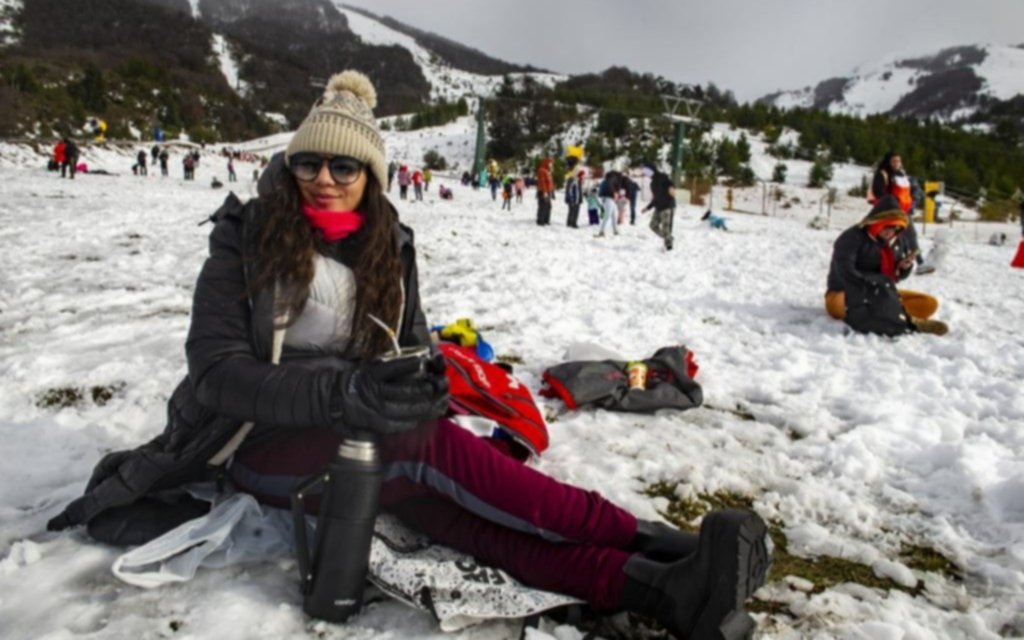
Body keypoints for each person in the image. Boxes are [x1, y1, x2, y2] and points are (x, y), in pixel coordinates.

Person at [45, 69, 770, 639]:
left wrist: (425, 381)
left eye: (342, 165)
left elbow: (415, 346)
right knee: (424, 452)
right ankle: (648, 538)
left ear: (371, 176)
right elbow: (216, 373)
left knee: (446, 510)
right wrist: (344, 398)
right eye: (307, 162)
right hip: (251, 440)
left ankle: (660, 585)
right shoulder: (246, 236)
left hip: (358, 432)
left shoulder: (389, 248)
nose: (322, 177)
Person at [825, 195, 948, 336]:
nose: (891, 232)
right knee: (851, 305)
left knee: (928, 303)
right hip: (845, 293)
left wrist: (903, 267)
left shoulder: (897, 241)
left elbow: (894, 277)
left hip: (883, 293)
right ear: (876, 222)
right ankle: (909, 321)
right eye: (887, 226)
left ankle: (888, 313)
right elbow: (846, 272)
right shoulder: (851, 237)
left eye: (896, 228)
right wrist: (877, 283)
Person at [871, 152, 921, 265]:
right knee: (888, 236)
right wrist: (891, 202)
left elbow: (910, 192)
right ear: (888, 162)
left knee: (909, 234)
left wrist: (911, 204)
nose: (896, 163)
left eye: (898, 161)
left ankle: (917, 260)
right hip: (888, 211)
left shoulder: (902, 175)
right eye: (894, 161)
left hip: (903, 210)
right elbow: (878, 192)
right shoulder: (883, 174)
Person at [643, 163, 676, 251]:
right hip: (658, 207)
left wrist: (672, 188)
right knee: (652, 225)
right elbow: (655, 197)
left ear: (652, 170)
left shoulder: (662, 176)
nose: (646, 173)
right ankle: (668, 237)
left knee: (666, 227)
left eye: (647, 171)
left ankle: (669, 246)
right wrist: (648, 207)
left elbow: (670, 183)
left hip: (667, 205)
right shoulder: (652, 183)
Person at [596, 171, 622, 238]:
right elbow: (609, 185)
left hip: (610, 199)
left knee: (614, 215)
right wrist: (614, 193)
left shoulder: (610, 178)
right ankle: (601, 231)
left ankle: (615, 230)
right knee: (607, 216)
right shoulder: (613, 178)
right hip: (608, 199)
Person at [535, 158, 554, 226]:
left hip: (548, 191)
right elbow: (542, 182)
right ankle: (540, 220)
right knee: (543, 206)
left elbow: (550, 182)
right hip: (543, 191)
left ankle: (546, 219)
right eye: (550, 163)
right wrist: (544, 191)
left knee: (548, 206)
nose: (551, 165)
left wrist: (552, 190)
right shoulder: (542, 170)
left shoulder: (547, 171)